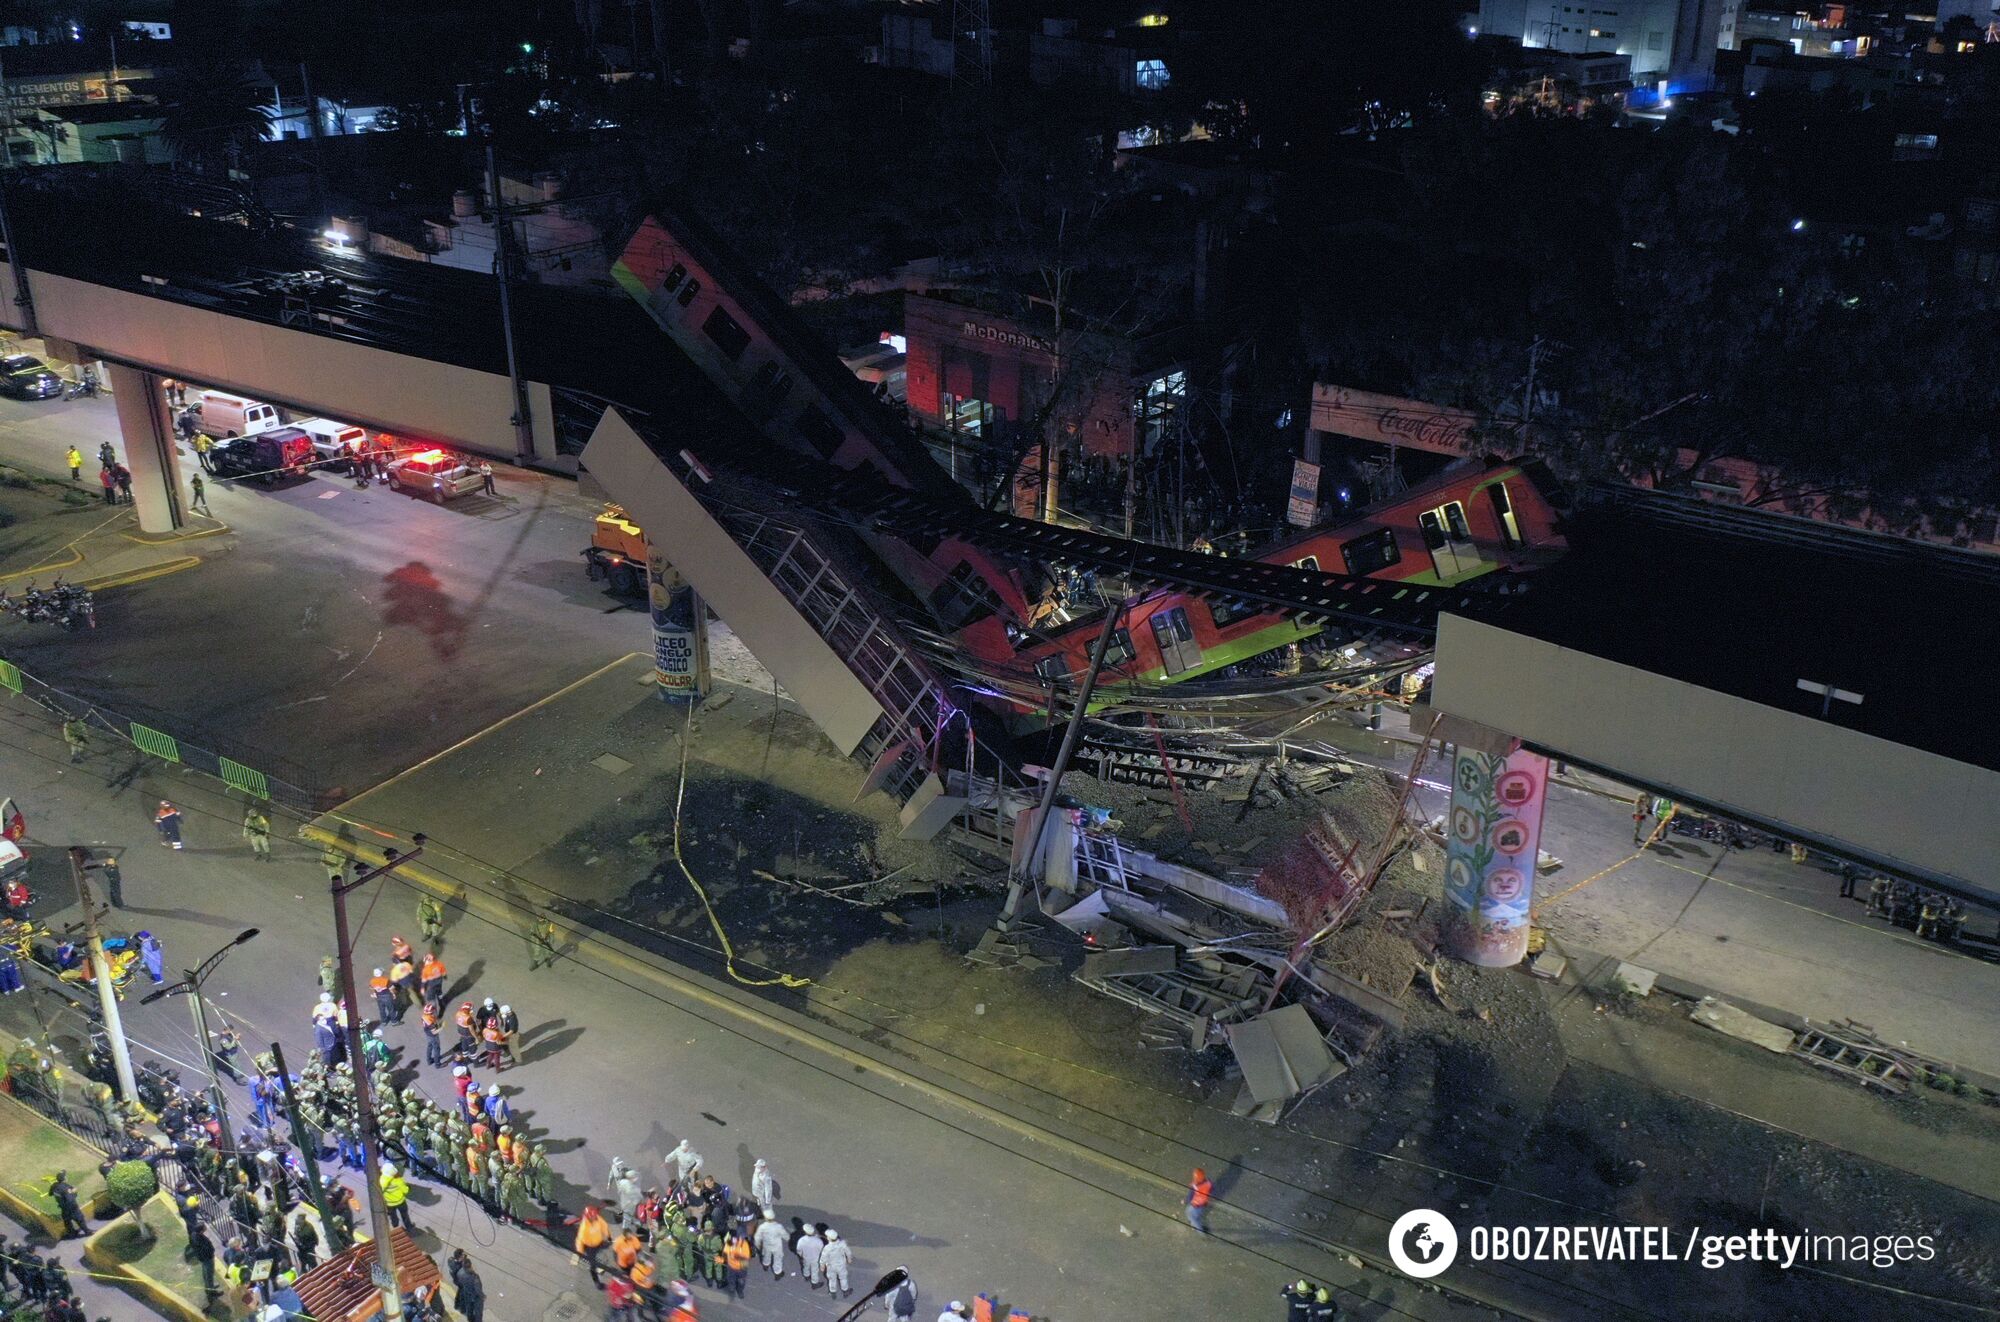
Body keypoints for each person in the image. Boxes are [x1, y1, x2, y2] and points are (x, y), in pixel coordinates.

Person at [574, 1204, 611, 1284]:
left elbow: (604, 1226)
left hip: (599, 1242)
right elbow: (580, 1241)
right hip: (590, 1247)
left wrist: (608, 1236)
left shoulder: (597, 1219)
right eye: (593, 1217)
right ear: (588, 1217)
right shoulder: (584, 1227)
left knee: (605, 1250)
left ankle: (600, 1266)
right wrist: (580, 1252)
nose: (595, 1218)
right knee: (592, 1264)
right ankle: (596, 1281)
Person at [449, 1248, 486, 1322]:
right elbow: (478, 1289)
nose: (464, 1256)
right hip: (465, 1287)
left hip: (462, 1284)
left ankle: (459, 1307)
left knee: (464, 1301)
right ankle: (462, 1309)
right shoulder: (474, 1277)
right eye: (462, 1255)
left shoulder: (451, 1261)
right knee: (476, 1310)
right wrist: (483, 1296)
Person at [50, 1171, 86, 1238]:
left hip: (63, 1208)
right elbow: (70, 1199)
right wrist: (73, 1192)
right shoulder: (65, 1188)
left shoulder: (54, 1185)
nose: (66, 1176)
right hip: (72, 1208)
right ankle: (88, 1232)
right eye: (65, 1176)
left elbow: (50, 1194)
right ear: (64, 1179)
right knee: (80, 1219)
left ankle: (72, 1234)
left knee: (67, 1222)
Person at [818, 1228, 852, 1298]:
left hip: (831, 1266)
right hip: (841, 1265)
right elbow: (848, 1252)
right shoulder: (842, 1244)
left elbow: (823, 1258)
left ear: (829, 1238)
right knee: (843, 1278)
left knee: (832, 1279)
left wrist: (822, 1266)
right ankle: (845, 1291)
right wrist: (849, 1258)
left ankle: (832, 1292)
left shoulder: (827, 1248)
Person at [751, 1210, 786, 1278]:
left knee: (766, 1256)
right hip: (776, 1245)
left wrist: (757, 1245)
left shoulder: (762, 1227)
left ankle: (765, 1265)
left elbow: (757, 1237)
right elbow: (784, 1234)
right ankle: (777, 1272)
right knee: (777, 1259)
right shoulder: (778, 1226)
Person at [379, 1165, 413, 1230]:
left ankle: (395, 1226)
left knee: (393, 1216)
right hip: (400, 1201)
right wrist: (408, 1187)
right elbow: (405, 1191)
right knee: (404, 1215)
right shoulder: (398, 1180)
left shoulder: (381, 1180)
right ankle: (408, 1227)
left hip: (389, 1203)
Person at [723, 1228, 750, 1299]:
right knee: (730, 1279)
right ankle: (732, 1288)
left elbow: (746, 1259)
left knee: (741, 1281)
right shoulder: (728, 1243)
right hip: (731, 1267)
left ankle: (740, 1290)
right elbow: (725, 1252)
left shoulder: (744, 1245)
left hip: (740, 1268)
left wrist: (743, 1270)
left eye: (734, 1239)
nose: (732, 1242)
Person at [1185, 1167, 1212, 1233]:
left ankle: (1200, 1231)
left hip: (1195, 1205)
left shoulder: (1195, 1186)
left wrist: (1185, 1201)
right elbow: (1211, 1190)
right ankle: (1195, 1225)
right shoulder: (1208, 1183)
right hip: (1203, 1204)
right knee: (1197, 1216)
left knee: (1191, 1216)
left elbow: (1190, 1197)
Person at [498, 1004, 524, 1069]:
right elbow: (500, 1014)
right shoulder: (509, 1014)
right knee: (511, 1047)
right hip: (509, 1034)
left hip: (513, 1035)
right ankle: (513, 1057)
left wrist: (502, 1037)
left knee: (514, 1049)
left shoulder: (512, 1019)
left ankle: (518, 1061)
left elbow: (511, 1031)